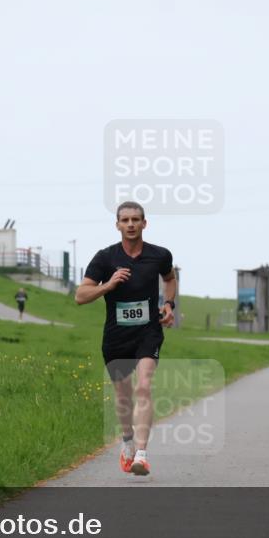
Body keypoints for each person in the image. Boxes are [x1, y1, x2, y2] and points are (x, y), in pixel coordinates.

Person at [75, 201, 176, 476]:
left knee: (144, 387)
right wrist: (108, 284)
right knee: (124, 397)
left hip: (148, 331)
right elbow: (80, 296)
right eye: (125, 220)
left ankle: (142, 455)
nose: (130, 224)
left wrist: (169, 305)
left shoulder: (159, 255)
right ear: (117, 225)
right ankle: (128, 442)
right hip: (116, 336)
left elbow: (169, 278)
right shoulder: (105, 258)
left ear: (145, 223)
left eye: (136, 219)